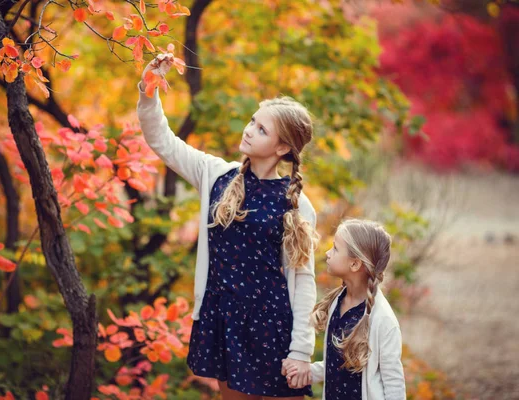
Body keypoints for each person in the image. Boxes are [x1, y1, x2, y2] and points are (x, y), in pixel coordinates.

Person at [137, 54, 320, 399]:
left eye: (262, 129)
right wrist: (149, 88)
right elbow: (161, 139)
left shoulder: (297, 205)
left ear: (283, 147)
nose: (249, 130)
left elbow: (304, 280)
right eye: (253, 121)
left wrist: (301, 350)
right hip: (224, 320)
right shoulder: (215, 174)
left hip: (272, 327)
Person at [282, 219, 406, 400]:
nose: (327, 253)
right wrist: (308, 372)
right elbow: (338, 365)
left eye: (335, 248)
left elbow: (394, 383)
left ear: (355, 264)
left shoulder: (382, 320)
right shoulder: (338, 301)